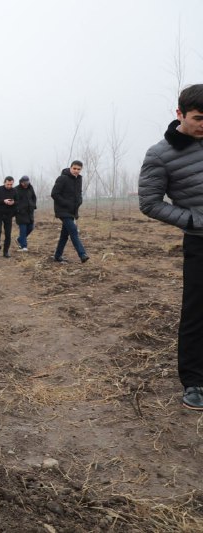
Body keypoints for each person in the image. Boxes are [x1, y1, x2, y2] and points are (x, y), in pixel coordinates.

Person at [139, 84, 203, 410]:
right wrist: (192, 220)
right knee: (196, 314)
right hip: (199, 243)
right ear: (179, 114)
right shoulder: (160, 155)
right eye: (198, 118)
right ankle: (194, 381)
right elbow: (149, 203)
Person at [51, 160, 89, 264]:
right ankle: (82, 254)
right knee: (73, 230)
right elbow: (54, 194)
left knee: (64, 234)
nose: (76, 171)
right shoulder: (62, 178)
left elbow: (79, 193)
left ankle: (57, 256)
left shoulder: (79, 179)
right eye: (74, 168)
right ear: (70, 167)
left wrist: (80, 200)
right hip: (63, 210)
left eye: (78, 169)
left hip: (72, 211)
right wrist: (66, 203)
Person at [0, 176, 17, 257]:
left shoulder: (14, 191)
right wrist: (3, 201)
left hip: (8, 215)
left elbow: (18, 201)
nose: (9, 186)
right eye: (8, 184)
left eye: (11, 184)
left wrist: (13, 202)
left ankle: (6, 251)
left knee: (8, 234)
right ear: (4, 183)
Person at [15, 176, 37, 251]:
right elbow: (14, 200)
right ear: (21, 182)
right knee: (23, 229)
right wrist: (18, 209)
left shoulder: (30, 188)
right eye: (24, 183)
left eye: (27, 182)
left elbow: (34, 197)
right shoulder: (16, 189)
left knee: (31, 227)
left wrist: (33, 205)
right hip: (21, 213)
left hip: (30, 212)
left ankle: (19, 239)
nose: (26, 184)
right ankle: (24, 246)